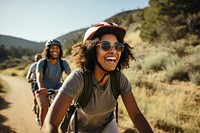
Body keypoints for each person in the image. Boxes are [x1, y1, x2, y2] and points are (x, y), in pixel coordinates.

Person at [42, 22, 153, 133]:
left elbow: (136, 115)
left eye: (118, 46)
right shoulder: (78, 78)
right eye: (105, 46)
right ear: (91, 50)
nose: (113, 51)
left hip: (106, 125)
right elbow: (51, 122)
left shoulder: (119, 79)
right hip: (80, 128)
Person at [36, 39, 71, 127]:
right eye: (52, 48)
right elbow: (39, 76)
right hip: (43, 88)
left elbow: (70, 75)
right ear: (48, 50)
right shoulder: (42, 63)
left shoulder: (63, 63)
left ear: (60, 50)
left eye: (57, 48)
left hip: (57, 87)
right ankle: (43, 128)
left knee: (66, 107)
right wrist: (41, 87)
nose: (55, 50)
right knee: (44, 108)